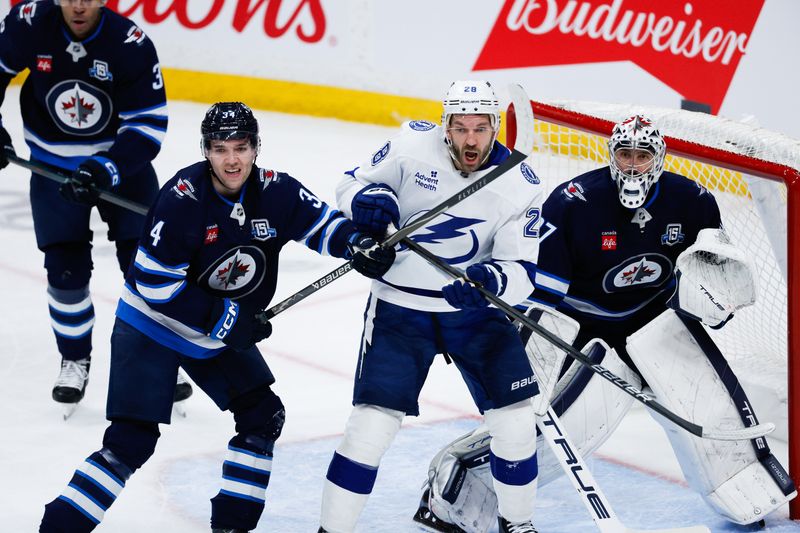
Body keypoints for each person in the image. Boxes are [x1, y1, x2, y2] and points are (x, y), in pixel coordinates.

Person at [412, 115, 797, 532]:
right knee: (549, 431)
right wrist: (530, 357)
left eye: (642, 156)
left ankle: (747, 492)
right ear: (611, 156)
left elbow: (711, 279)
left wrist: (715, 302)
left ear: (659, 158)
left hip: (655, 321)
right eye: (624, 154)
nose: (633, 165)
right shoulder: (574, 202)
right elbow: (543, 298)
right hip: (580, 325)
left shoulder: (694, 201)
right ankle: (459, 488)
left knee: (714, 411)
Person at [38, 101, 395, 533]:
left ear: (255, 148)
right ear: (206, 150)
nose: (231, 159)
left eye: (241, 147)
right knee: (130, 443)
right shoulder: (181, 198)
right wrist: (228, 321)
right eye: (220, 148)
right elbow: (155, 284)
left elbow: (320, 224)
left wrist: (356, 242)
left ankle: (231, 527)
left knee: (263, 417)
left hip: (212, 332)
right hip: (152, 327)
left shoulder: (277, 191)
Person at [318, 80, 544, 533]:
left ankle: (517, 526)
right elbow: (349, 183)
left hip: (473, 314)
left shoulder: (520, 183)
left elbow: (523, 271)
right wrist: (368, 202)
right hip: (400, 309)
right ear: (446, 126)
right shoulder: (411, 145)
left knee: (517, 424)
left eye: (481, 128)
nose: (471, 140)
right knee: (369, 429)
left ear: (495, 127)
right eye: (461, 128)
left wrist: (490, 281)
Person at [0, 0, 192, 409]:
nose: (80, 5)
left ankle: (156, 360)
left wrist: (105, 170)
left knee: (145, 266)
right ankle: (74, 359)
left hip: (122, 170)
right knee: (64, 269)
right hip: (52, 169)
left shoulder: (130, 43)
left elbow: (148, 125)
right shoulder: (30, 24)